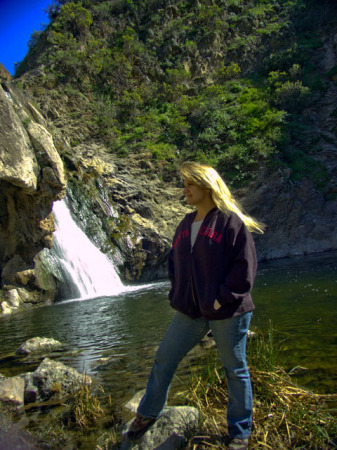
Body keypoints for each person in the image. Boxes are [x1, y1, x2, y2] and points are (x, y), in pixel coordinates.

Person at [128, 161, 265, 450]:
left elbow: (245, 270)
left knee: (235, 368)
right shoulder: (185, 223)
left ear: (207, 186)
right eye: (185, 183)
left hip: (228, 311)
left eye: (190, 183)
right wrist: (176, 293)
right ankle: (148, 412)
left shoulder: (230, 221)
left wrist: (219, 298)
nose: (185, 189)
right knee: (165, 356)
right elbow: (174, 263)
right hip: (190, 311)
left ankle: (239, 432)